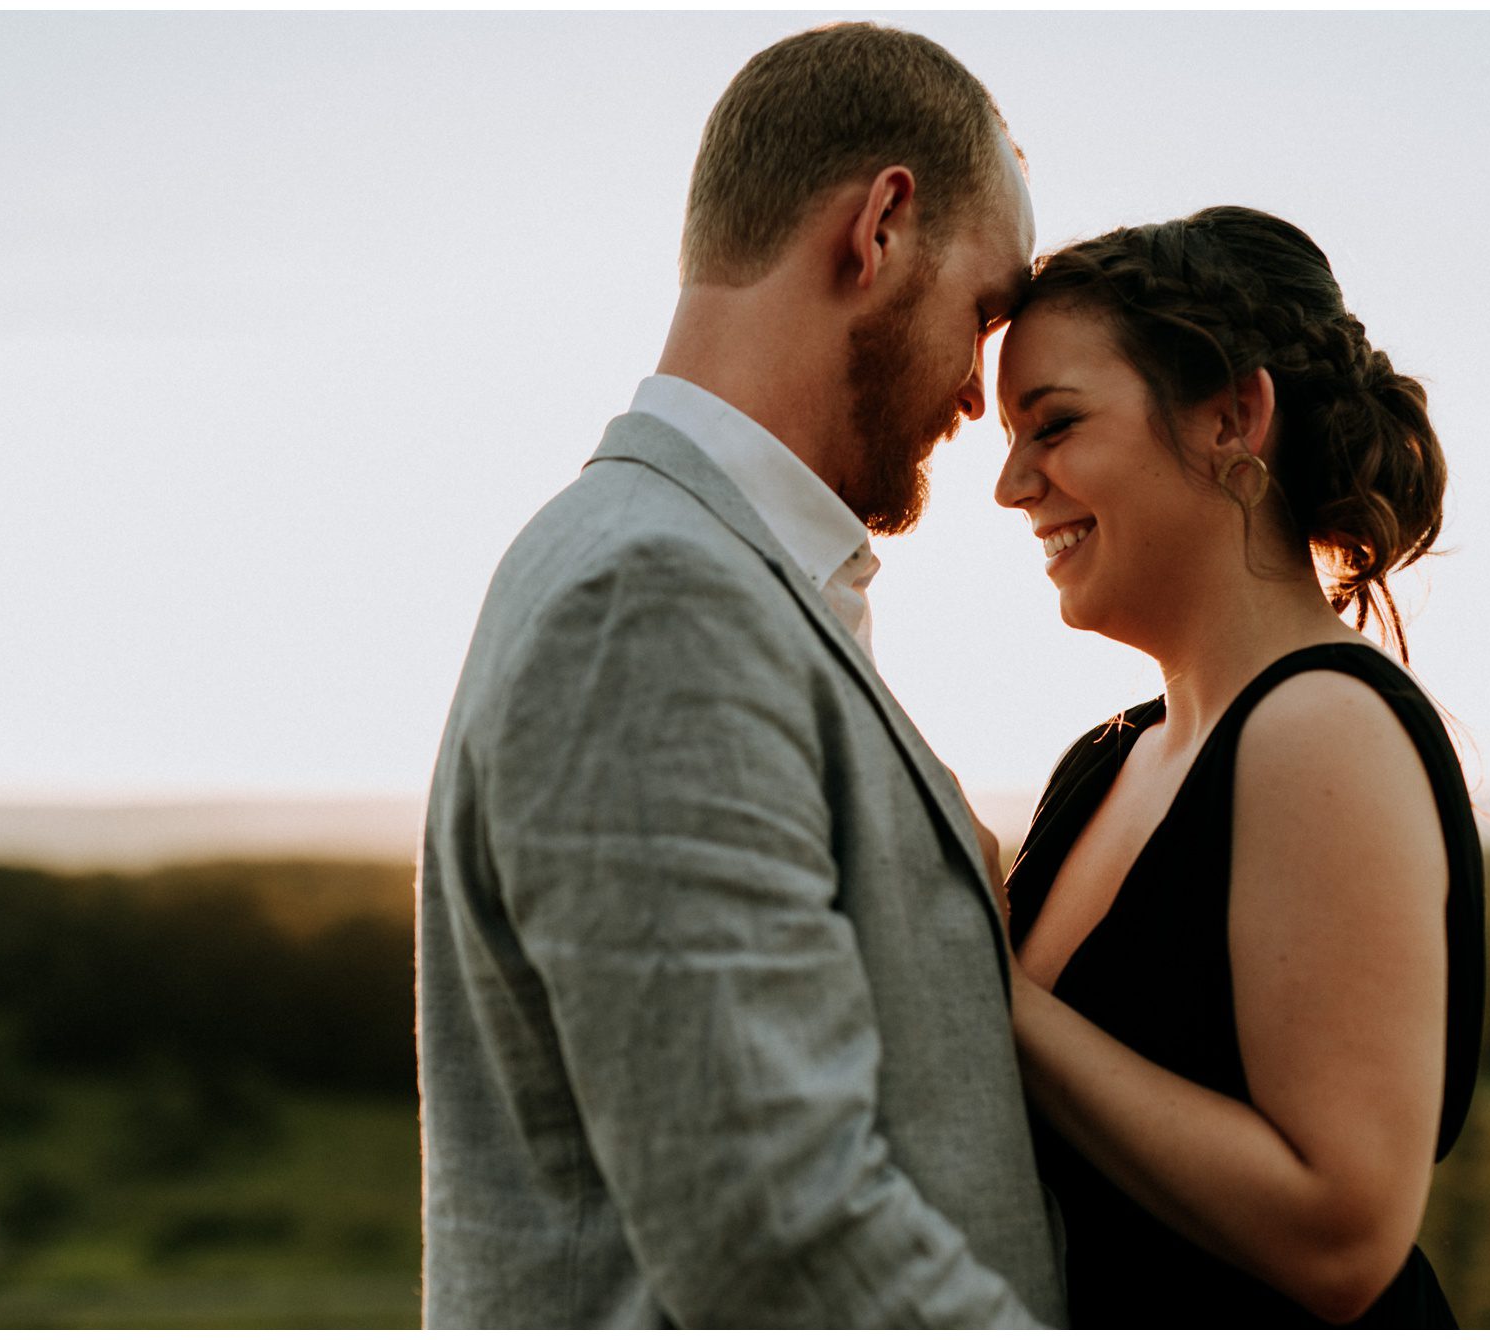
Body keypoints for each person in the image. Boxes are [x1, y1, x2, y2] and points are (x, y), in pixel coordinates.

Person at [416, 22, 1064, 1328]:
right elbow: (777, 1231)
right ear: (878, 229)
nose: (983, 397)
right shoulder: (652, 596)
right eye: (984, 312)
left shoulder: (707, 568)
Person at [990, 206, 1486, 1327]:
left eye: (1053, 424)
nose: (1012, 485)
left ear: (1231, 414)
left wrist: (987, 994)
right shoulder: (1097, 762)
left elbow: (1341, 1233)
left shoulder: (1322, 727)